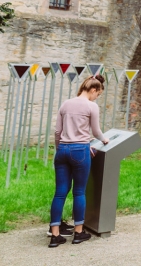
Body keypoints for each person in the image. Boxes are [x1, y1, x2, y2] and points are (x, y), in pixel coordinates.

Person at [48, 74, 109, 248]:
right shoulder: (91, 106)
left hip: (63, 151)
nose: (96, 97)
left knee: (60, 193)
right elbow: (96, 131)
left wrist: (60, 148)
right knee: (79, 192)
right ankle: (78, 233)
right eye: (97, 94)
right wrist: (104, 139)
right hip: (80, 150)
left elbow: (58, 132)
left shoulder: (65, 104)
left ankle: (55, 236)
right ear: (93, 89)